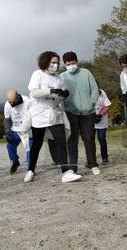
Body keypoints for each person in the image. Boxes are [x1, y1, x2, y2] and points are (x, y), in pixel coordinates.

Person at [23, 51, 81, 183]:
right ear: (45, 62)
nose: (55, 65)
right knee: (36, 144)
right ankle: (31, 170)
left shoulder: (59, 78)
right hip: (39, 114)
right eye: (53, 62)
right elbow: (34, 92)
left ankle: (66, 172)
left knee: (60, 141)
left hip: (54, 113)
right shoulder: (38, 74)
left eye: (57, 63)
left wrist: (63, 95)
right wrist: (52, 91)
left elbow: (58, 99)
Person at [60, 51, 101, 175]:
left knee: (89, 138)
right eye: (68, 64)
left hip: (88, 112)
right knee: (72, 141)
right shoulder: (62, 77)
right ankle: (73, 168)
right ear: (65, 64)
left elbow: (94, 88)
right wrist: (63, 106)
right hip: (70, 112)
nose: (71, 65)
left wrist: (91, 103)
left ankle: (93, 164)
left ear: (77, 62)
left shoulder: (86, 73)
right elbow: (60, 95)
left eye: (73, 63)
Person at [4, 90, 32, 174]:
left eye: (13, 102)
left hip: (27, 128)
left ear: (18, 97)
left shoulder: (27, 101)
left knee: (29, 148)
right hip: (15, 128)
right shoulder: (7, 104)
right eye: (10, 102)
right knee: (9, 146)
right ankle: (15, 161)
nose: (11, 104)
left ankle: (30, 167)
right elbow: (7, 119)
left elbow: (32, 116)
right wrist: (7, 132)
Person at [94, 87, 111, 164]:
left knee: (101, 138)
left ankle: (105, 157)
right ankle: (91, 159)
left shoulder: (101, 92)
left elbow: (107, 105)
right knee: (89, 140)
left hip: (101, 119)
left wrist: (100, 115)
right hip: (90, 120)